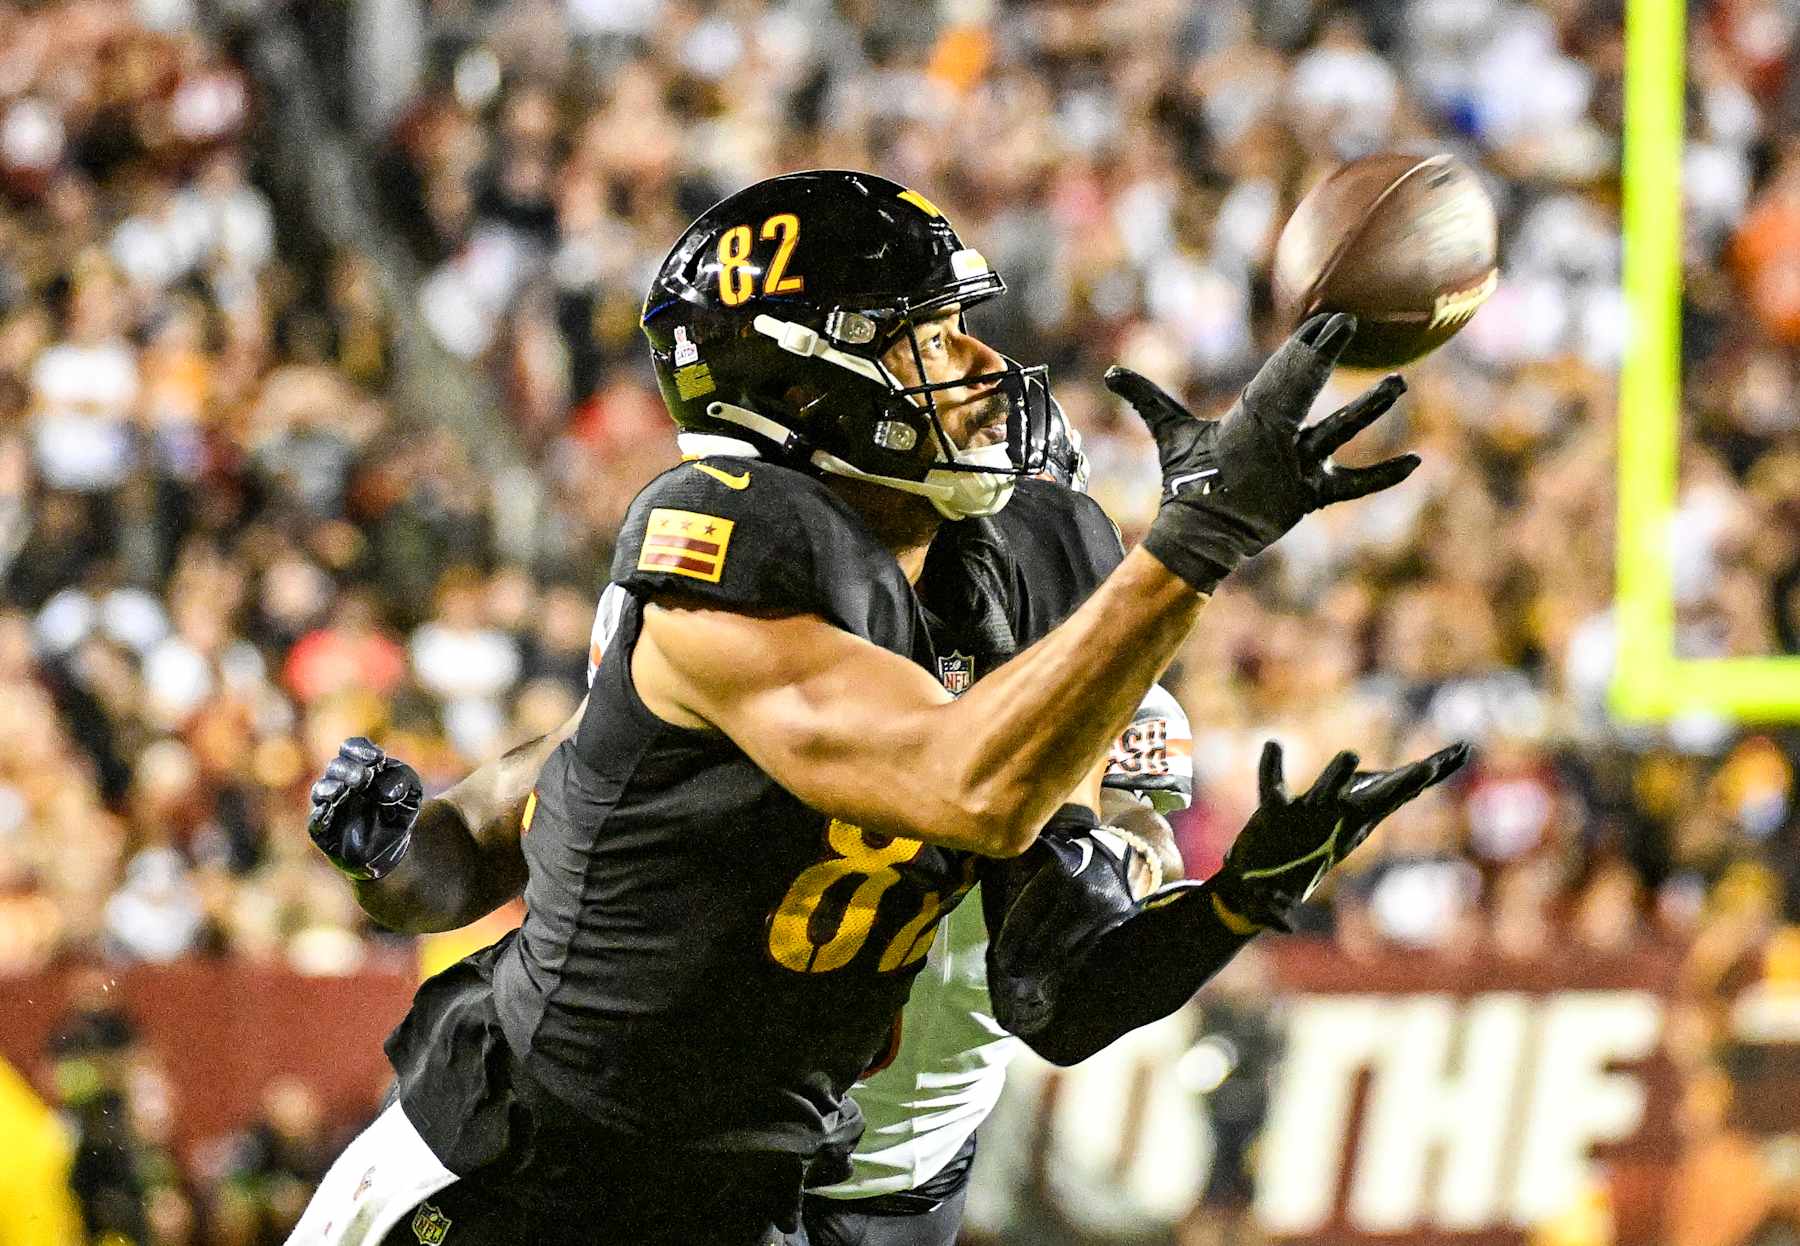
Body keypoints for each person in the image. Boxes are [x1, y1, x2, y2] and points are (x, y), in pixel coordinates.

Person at [289, 170, 1446, 1246]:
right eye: (927, 338)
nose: (981, 361)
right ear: (802, 386)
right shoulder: (727, 550)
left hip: (760, 1192)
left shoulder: (1032, 567)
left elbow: (1053, 979)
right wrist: (1195, 544)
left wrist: (1235, 901)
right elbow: (965, 784)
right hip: (529, 1176)